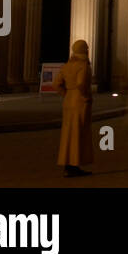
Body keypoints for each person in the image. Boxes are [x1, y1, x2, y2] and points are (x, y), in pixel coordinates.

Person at [53, 40, 94, 178]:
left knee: (68, 135)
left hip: (69, 100)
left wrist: (66, 94)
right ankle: (74, 165)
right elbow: (81, 83)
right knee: (78, 134)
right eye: (87, 48)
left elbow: (56, 84)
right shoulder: (83, 66)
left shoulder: (67, 66)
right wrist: (85, 96)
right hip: (79, 102)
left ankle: (67, 164)